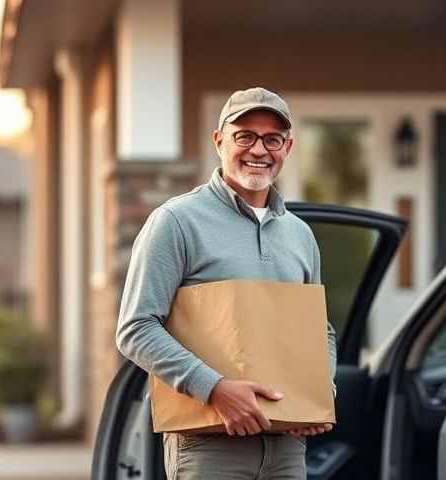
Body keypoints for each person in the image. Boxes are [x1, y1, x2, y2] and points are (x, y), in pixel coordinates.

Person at [115, 87, 336, 480]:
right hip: (209, 441)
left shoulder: (300, 235)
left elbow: (320, 330)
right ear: (219, 141)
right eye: (245, 135)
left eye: (272, 139)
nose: (259, 150)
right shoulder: (176, 222)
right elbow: (136, 328)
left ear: (288, 147)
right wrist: (215, 389)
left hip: (287, 445)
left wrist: (318, 395)